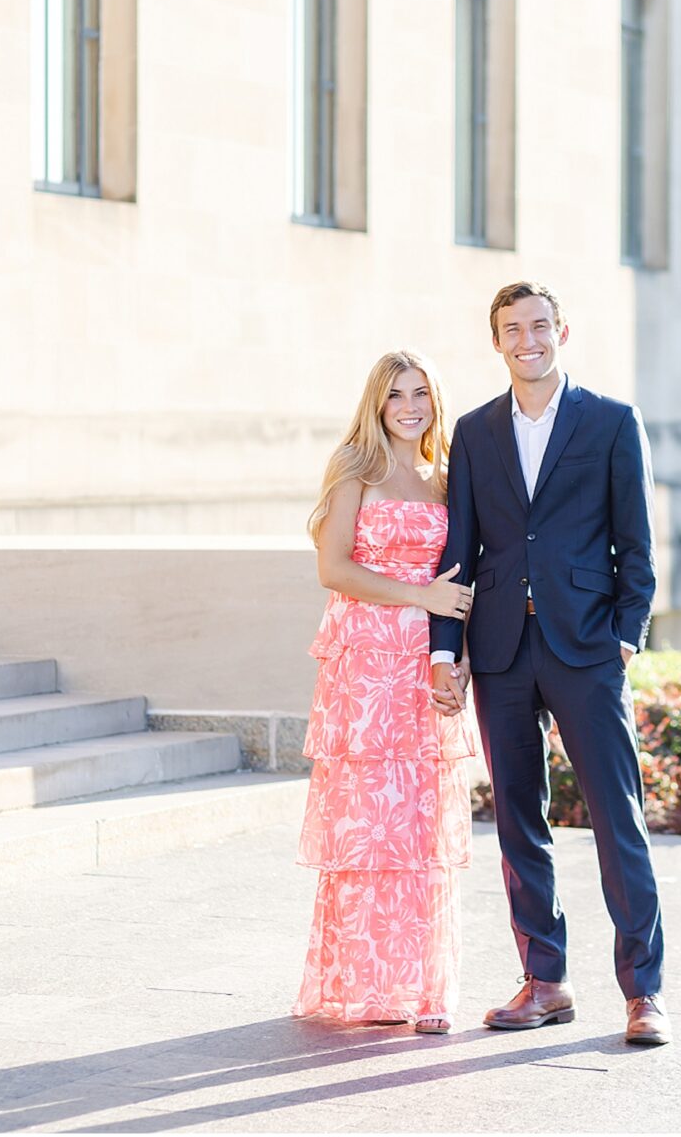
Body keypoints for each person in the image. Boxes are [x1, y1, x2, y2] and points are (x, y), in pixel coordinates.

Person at [429, 281, 670, 1047]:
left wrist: (625, 634)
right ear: (495, 341)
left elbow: (636, 544)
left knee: (615, 816)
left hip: (587, 645)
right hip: (499, 648)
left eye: (538, 325)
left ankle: (644, 992)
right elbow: (456, 549)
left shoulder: (609, 421)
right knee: (516, 821)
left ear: (562, 331)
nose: (525, 339)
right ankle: (545, 980)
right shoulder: (472, 432)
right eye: (510, 329)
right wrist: (446, 647)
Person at [293, 350, 475, 1033]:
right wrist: (415, 593)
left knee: (422, 824)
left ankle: (425, 991)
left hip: (426, 662)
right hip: (364, 665)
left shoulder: (449, 479)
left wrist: (456, 660)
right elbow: (333, 568)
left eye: (420, 393)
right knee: (370, 826)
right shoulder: (354, 468)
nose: (408, 406)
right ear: (376, 403)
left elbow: (461, 581)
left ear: (434, 401)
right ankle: (363, 987)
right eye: (395, 394)